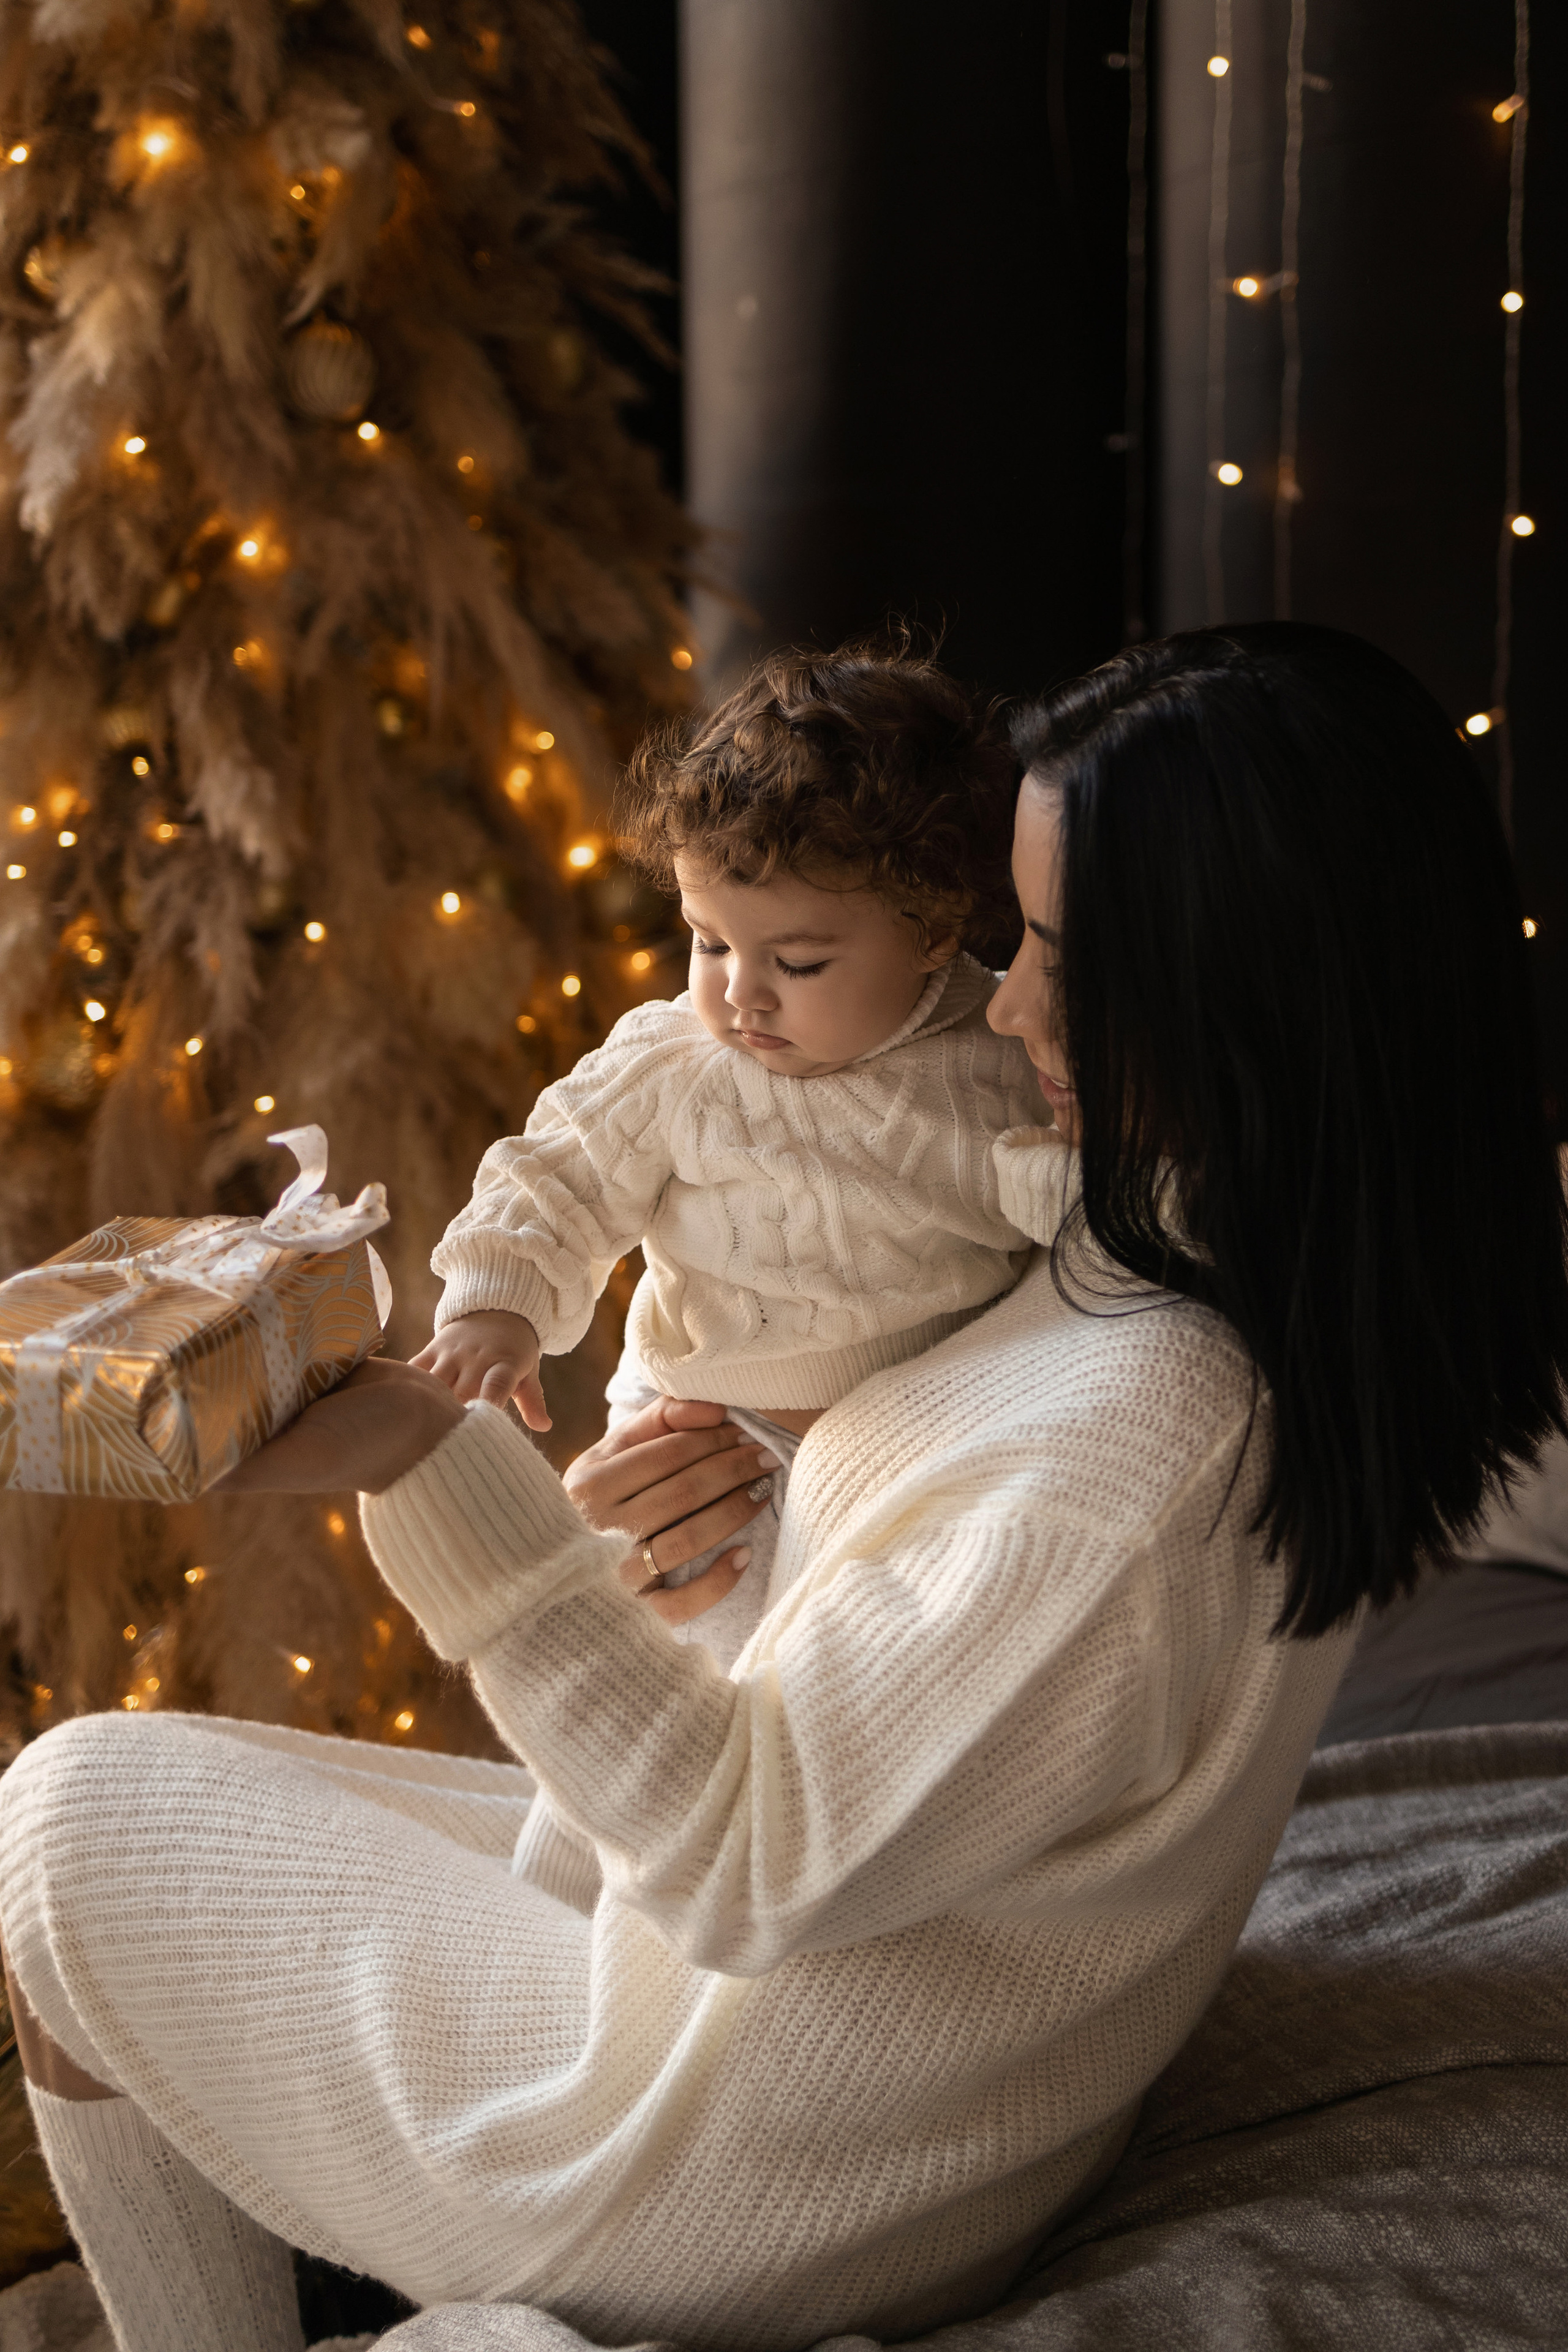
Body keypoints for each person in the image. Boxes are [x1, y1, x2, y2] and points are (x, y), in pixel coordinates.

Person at [3, 625, 1564, 2352]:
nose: (1010, 997)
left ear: (1246, 987)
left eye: (1057, 949)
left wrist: (438, 1471)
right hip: (899, 2083)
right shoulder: (1163, 1261)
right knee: (209, 1814)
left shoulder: (1145, 1432)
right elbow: (916, 1625)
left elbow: (755, 1860)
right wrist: (731, 1530)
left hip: (751, 2166)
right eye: (1008, 933)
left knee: (63, 1819)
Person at [415, 642, 1039, 1689]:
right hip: (710, 1444)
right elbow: (557, 1173)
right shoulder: (677, 1061)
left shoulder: (1002, 1057)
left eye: (795, 962)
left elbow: (1062, 1196)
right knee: (680, 1692)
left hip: (916, 1456)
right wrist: (497, 1305)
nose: (740, 994)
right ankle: (579, 1857)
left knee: (863, 1699)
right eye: (708, 942)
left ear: (932, 932)